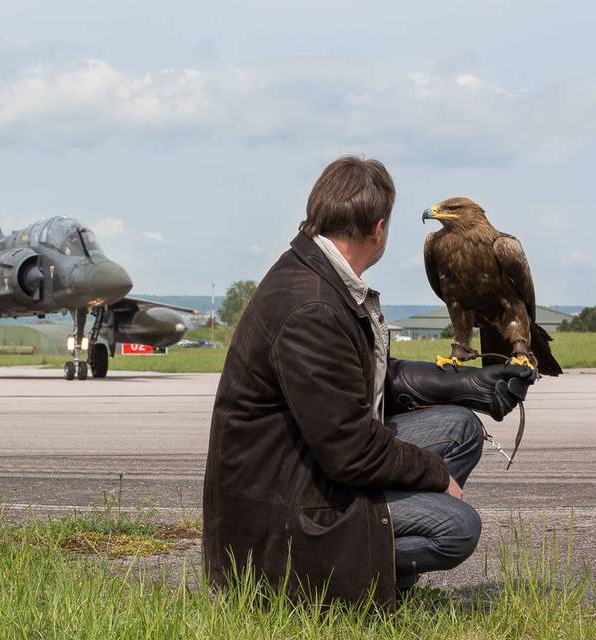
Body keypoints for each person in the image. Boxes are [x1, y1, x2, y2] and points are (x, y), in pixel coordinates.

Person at [202, 156, 536, 609]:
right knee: (455, 526)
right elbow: (351, 448)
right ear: (378, 229)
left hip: (300, 472)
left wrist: (469, 385)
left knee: (460, 429)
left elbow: (361, 378)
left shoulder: (318, 276)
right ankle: (332, 591)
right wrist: (436, 478)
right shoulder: (312, 307)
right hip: (274, 533)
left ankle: (371, 557)